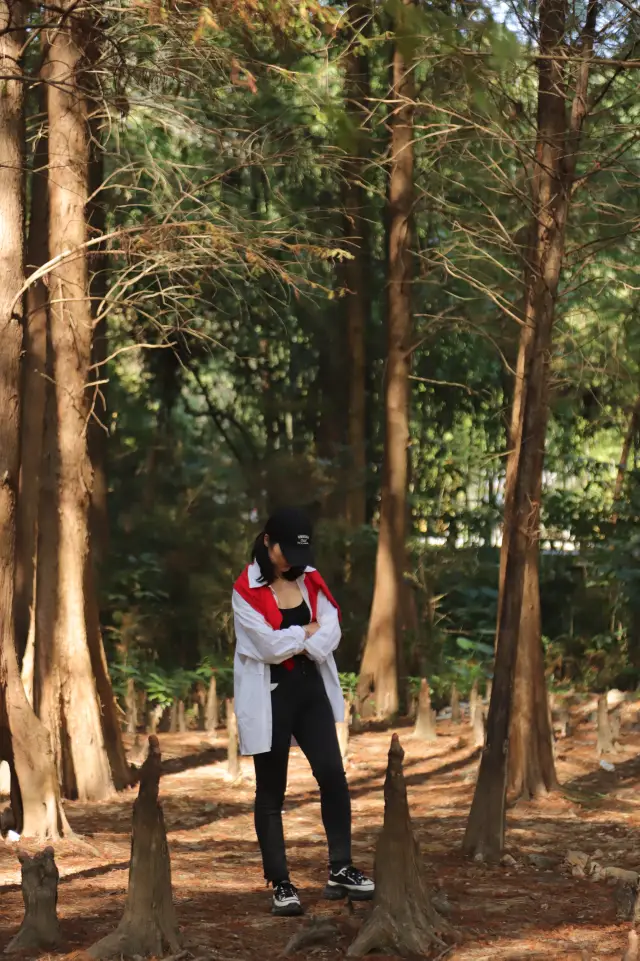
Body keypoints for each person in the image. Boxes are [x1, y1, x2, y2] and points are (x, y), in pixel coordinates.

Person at [232, 507, 374, 917]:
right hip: (271, 694)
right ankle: (280, 883)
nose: (292, 559)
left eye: (298, 551)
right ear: (266, 541)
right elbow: (265, 647)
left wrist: (296, 638)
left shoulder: (311, 578)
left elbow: (331, 632)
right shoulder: (246, 588)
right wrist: (304, 633)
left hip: (310, 690)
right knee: (271, 791)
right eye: (285, 550)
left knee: (333, 775)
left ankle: (340, 868)